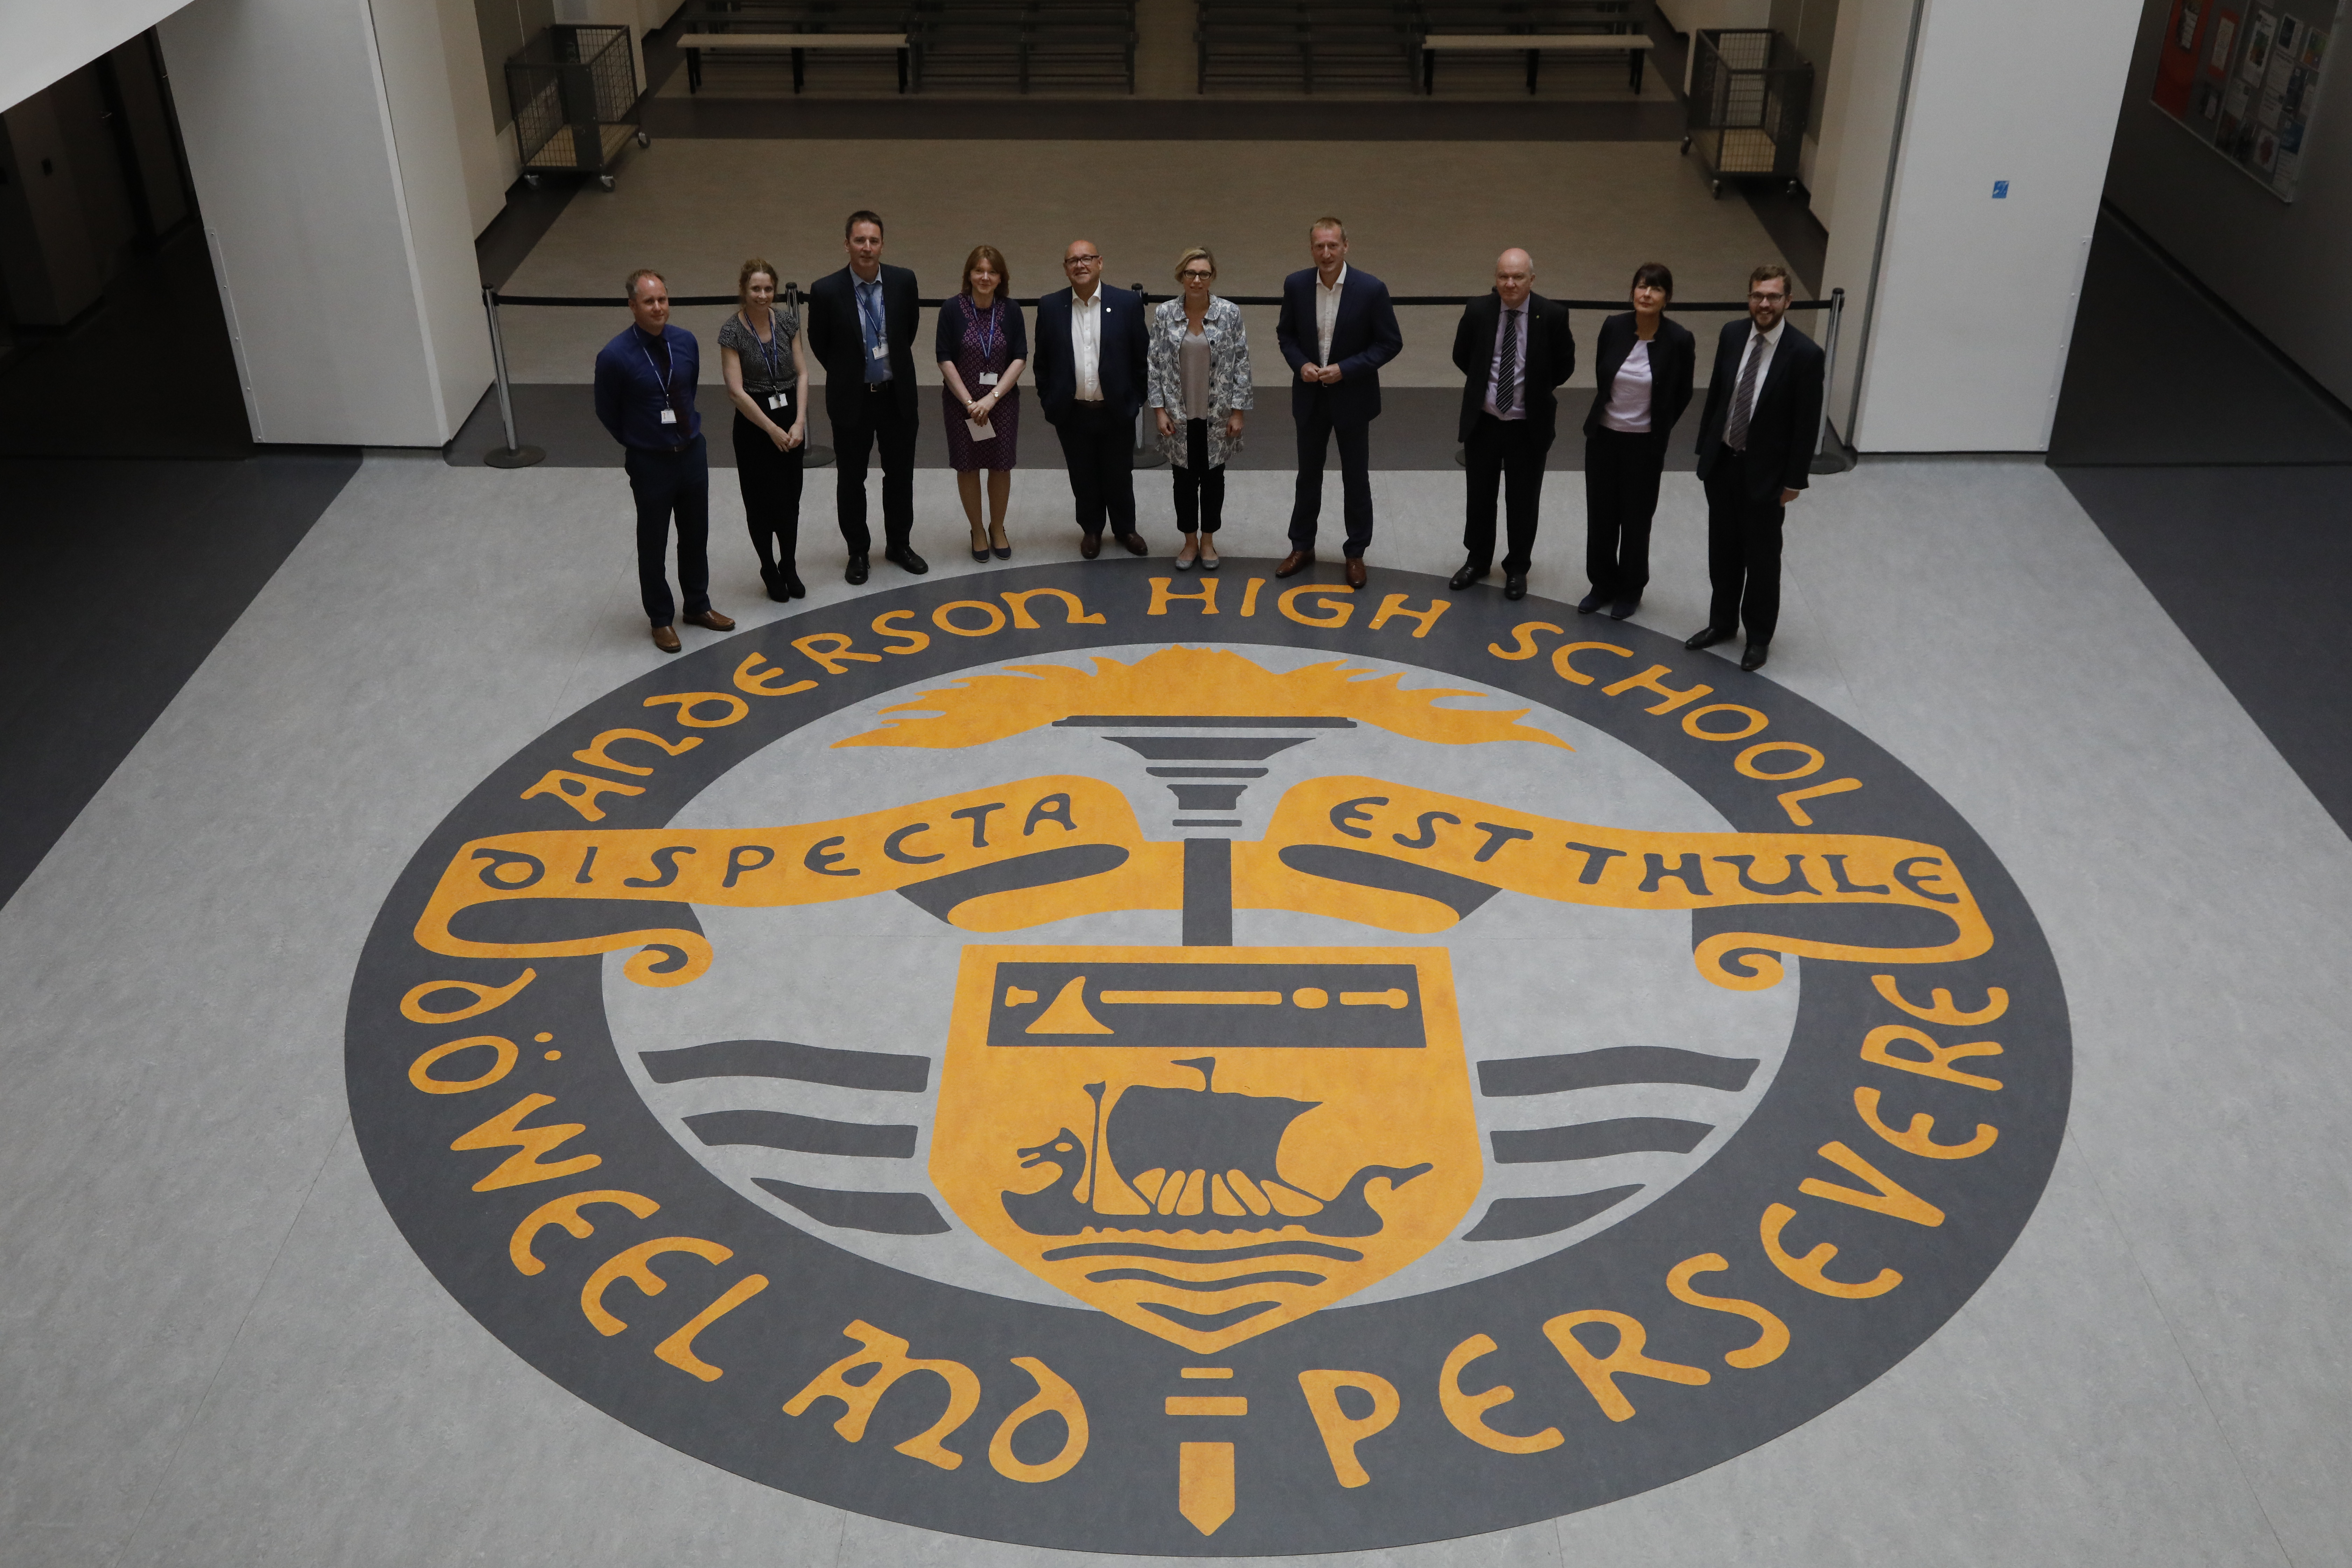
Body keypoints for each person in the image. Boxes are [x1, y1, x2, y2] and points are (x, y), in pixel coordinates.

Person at [1686, 263, 1825, 672]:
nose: (1764, 304)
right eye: (1757, 296)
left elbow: (1806, 424)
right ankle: (1722, 624)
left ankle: (1759, 637)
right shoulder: (1732, 334)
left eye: (1773, 297)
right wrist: (1705, 451)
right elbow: (1717, 396)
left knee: (1762, 561)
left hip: (1766, 477)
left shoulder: (1804, 355)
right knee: (1723, 553)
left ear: (1788, 301)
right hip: (1723, 464)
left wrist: (1794, 481)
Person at [592, 269, 734, 654]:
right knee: (653, 541)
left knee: (696, 535)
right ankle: (660, 618)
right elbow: (607, 411)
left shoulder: (686, 342)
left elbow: (687, 390)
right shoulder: (614, 356)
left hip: (691, 453)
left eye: (663, 300)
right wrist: (639, 440)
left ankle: (698, 605)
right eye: (650, 301)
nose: (659, 308)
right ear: (633, 306)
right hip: (650, 462)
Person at [1275, 216, 1401, 590]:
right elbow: (1286, 335)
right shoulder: (1296, 285)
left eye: (1333, 246)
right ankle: (1302, 547)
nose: (1326, 253)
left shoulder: (1371, 289)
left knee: (1355, 478)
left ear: (1347, 246)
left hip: (1353, 399)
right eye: (1319, 246)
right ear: (1311, 249)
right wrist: (1302, 365)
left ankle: (1356, 552)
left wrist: (1346, 369)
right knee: (1307, 477)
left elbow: (1389, 343)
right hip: (1310, 398)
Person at [1447, 247, 1575, 602]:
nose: (1510, 283)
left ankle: (1517, 568)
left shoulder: (1552, 315)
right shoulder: (1478, 311)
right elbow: (1463, 355)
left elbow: (1565, 365)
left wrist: (1534, 391)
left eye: (1518, 277)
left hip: (1527, 425)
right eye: (1504, 276)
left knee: (1523, 499)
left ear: (1531, 279)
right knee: (1480, 495)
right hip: (1485, 422)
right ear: (1496, 278)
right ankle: (1478, 560)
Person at [806, 210, 924, 583]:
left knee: (900, 475)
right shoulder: (826, 291)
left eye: (874, 241)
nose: (867, 248)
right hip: (852, 400)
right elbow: (820, 344)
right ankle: (858, 551)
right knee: (852, 479)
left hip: (896, 396)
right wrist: (851, 371)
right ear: (847, 244)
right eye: (860, 240)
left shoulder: (904, 282)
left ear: (882, 244)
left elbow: (908, 332)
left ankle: (899, 544)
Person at [1579, 261, 1696, 620]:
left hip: (1643, 446)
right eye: (1642, 286)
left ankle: (1630, 590)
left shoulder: (1678, 340)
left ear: (1667, 298)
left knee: (1635, 520)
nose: (1647, 294)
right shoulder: (1614, 327)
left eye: (1656, 288)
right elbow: (1604, 376)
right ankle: (1602, 584)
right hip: (1604, 439)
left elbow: (1683, 393)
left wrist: (1657, 426)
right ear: (1632, 291)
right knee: (1601, 516)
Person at [1032, 238, 1151, 559]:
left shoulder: (1126, 304)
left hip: (1116, 410)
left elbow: (1142, 359)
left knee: (1119, 474)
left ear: (1100, 263)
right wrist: (1050, 400)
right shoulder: (1050, 306)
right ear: (1066, 269)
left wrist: (1134, 401)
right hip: (1072, 412)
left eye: (1087, 259)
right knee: (1082, 474)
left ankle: (1126, 529)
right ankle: (1092, 530)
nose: (1080, 265)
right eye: (1073, 261)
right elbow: (1041, 363)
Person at [1147, 247, 1251, 571]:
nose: (1196, 280)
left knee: (1214, 480)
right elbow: (1154, 364)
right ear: (1181, 277)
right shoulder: (1165, 314)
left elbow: (1242, 364)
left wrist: (1238, 412)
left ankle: (1208, 541)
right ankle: (1189, 542)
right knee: (1183, 481)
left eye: (1203, 274)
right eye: (1190, 274)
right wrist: (1159, 411)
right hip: (1179, 415)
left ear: (1212, 277)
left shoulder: (1229, 313)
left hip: (1217, 416)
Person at [716, 258, 808, 601]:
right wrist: (771, 429)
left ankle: (789, 564)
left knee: (790, 500)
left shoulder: (786, 323)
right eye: (756, 288)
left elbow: (801, 373)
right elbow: (735, 391)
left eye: (768, 288)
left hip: (790, 422)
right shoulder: (732, 332)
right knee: (760, 503)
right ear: (744, 290)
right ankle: (768, 567)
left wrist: (799, 422)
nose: (763, 295)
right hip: (756, 426)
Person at [936, 245, 1028, 561]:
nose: (985, 277)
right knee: (968, 466)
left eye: (992, 272)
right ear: (969, 275)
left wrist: (990, 399)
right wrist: (970, 402)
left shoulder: (1011, 310)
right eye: (979, 271)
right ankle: (977, 529)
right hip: (962, 404)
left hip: (1001, 404)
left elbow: (1020, 358)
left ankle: (998, 527)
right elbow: (944, 359)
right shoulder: (952, 309)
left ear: (1001, 277)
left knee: (1001, 467)